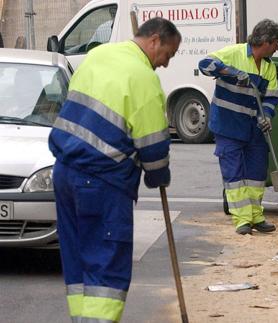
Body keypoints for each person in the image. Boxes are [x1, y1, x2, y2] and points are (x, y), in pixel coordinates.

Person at [49, 17, 180, 322]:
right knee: (106, 265)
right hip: (101, 182)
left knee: (79, 262)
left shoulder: (99, 54)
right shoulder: (143, 78)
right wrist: (159, 175)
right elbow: (154, 146)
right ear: (155, 41)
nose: (165, 64)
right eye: (168, 55)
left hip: (65, 172)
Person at [198, 19, 278, 235]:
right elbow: (204, 64)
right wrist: (231, 72)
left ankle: (256, 216)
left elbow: (271, 98)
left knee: (257, 174)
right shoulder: (234, 53)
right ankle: (242, 220)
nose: (277, 48)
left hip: (254, 128)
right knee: (234, 174)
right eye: (276, 43)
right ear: (265, 41)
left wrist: (267, 116)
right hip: (228, 126)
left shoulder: (269, 67)